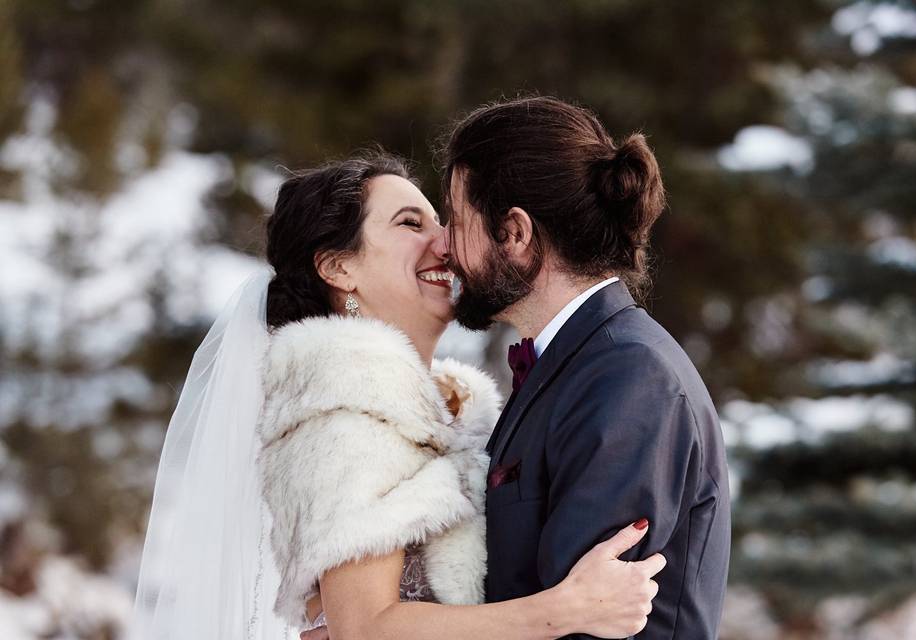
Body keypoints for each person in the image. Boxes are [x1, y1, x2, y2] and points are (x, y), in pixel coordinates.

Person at [133, 152, 665, 640]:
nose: (446, 242)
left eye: (440, 221)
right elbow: (366, 628)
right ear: (338, 267)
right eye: (411, 224)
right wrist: (562, 612)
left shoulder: (438, 412)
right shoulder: (343, 417)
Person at [439, 96, 732, 639]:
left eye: (456, 221)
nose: (443, 245)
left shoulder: (629, 377)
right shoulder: (578, 363)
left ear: (516, 233)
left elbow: (582, 627)